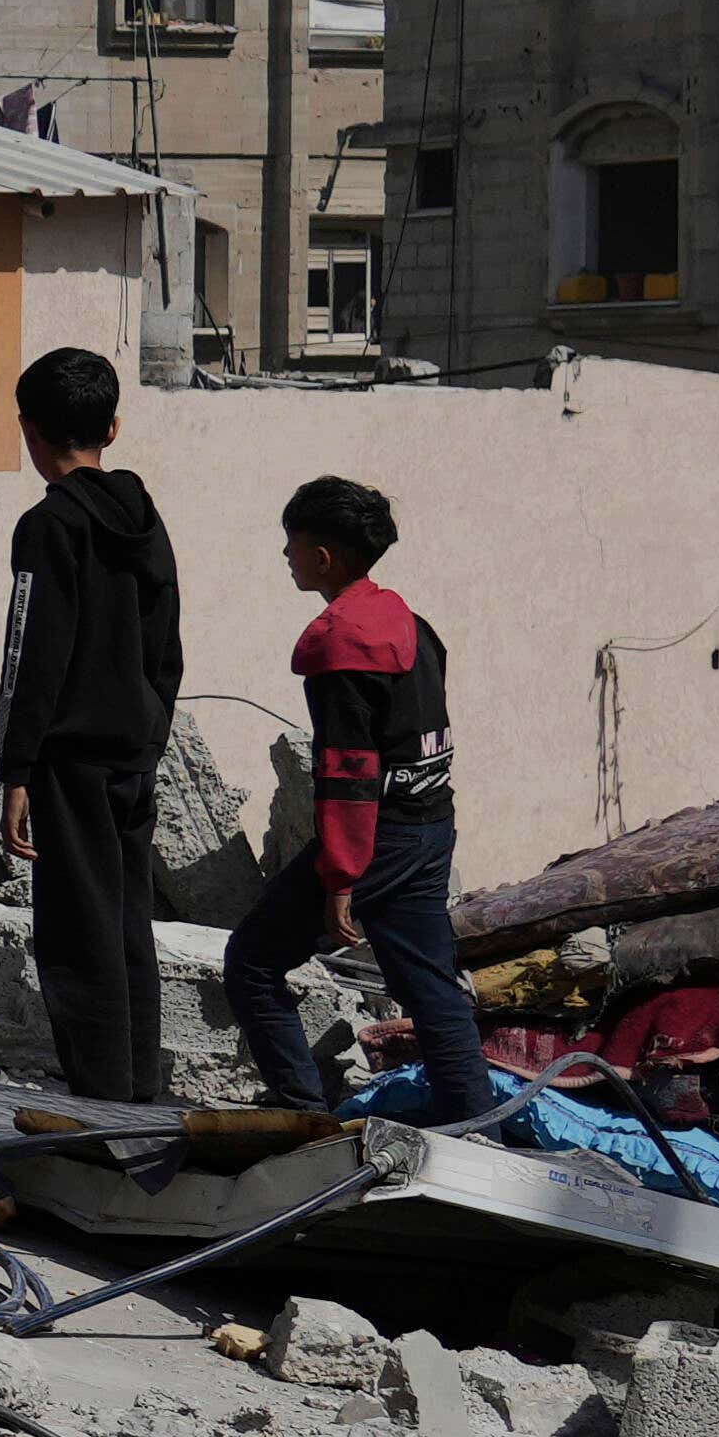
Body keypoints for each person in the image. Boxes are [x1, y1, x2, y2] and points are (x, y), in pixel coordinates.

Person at [219, 476, 477, 1114]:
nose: (286, 556)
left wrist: (341, 877)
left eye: (293, 544)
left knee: (250, 962)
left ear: (324, 556)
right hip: (430, 823)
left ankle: (302, 1114)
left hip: (377, 837)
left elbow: (348, 772)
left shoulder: (341, 643)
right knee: (433, 993)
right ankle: (479, 1128)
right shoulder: (412, 624)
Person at [0, 347, 186, 1113]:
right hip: (134, 754)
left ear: (30, 431)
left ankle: (101, 1114)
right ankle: (137, 1098)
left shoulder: (50, 525)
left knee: (78, 939)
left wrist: (17, 768)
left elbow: (32, 654)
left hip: (69, 760)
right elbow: (167, 642)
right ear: (113, 425)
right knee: (129, 928)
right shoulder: (146, 517)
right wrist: (151, 731)